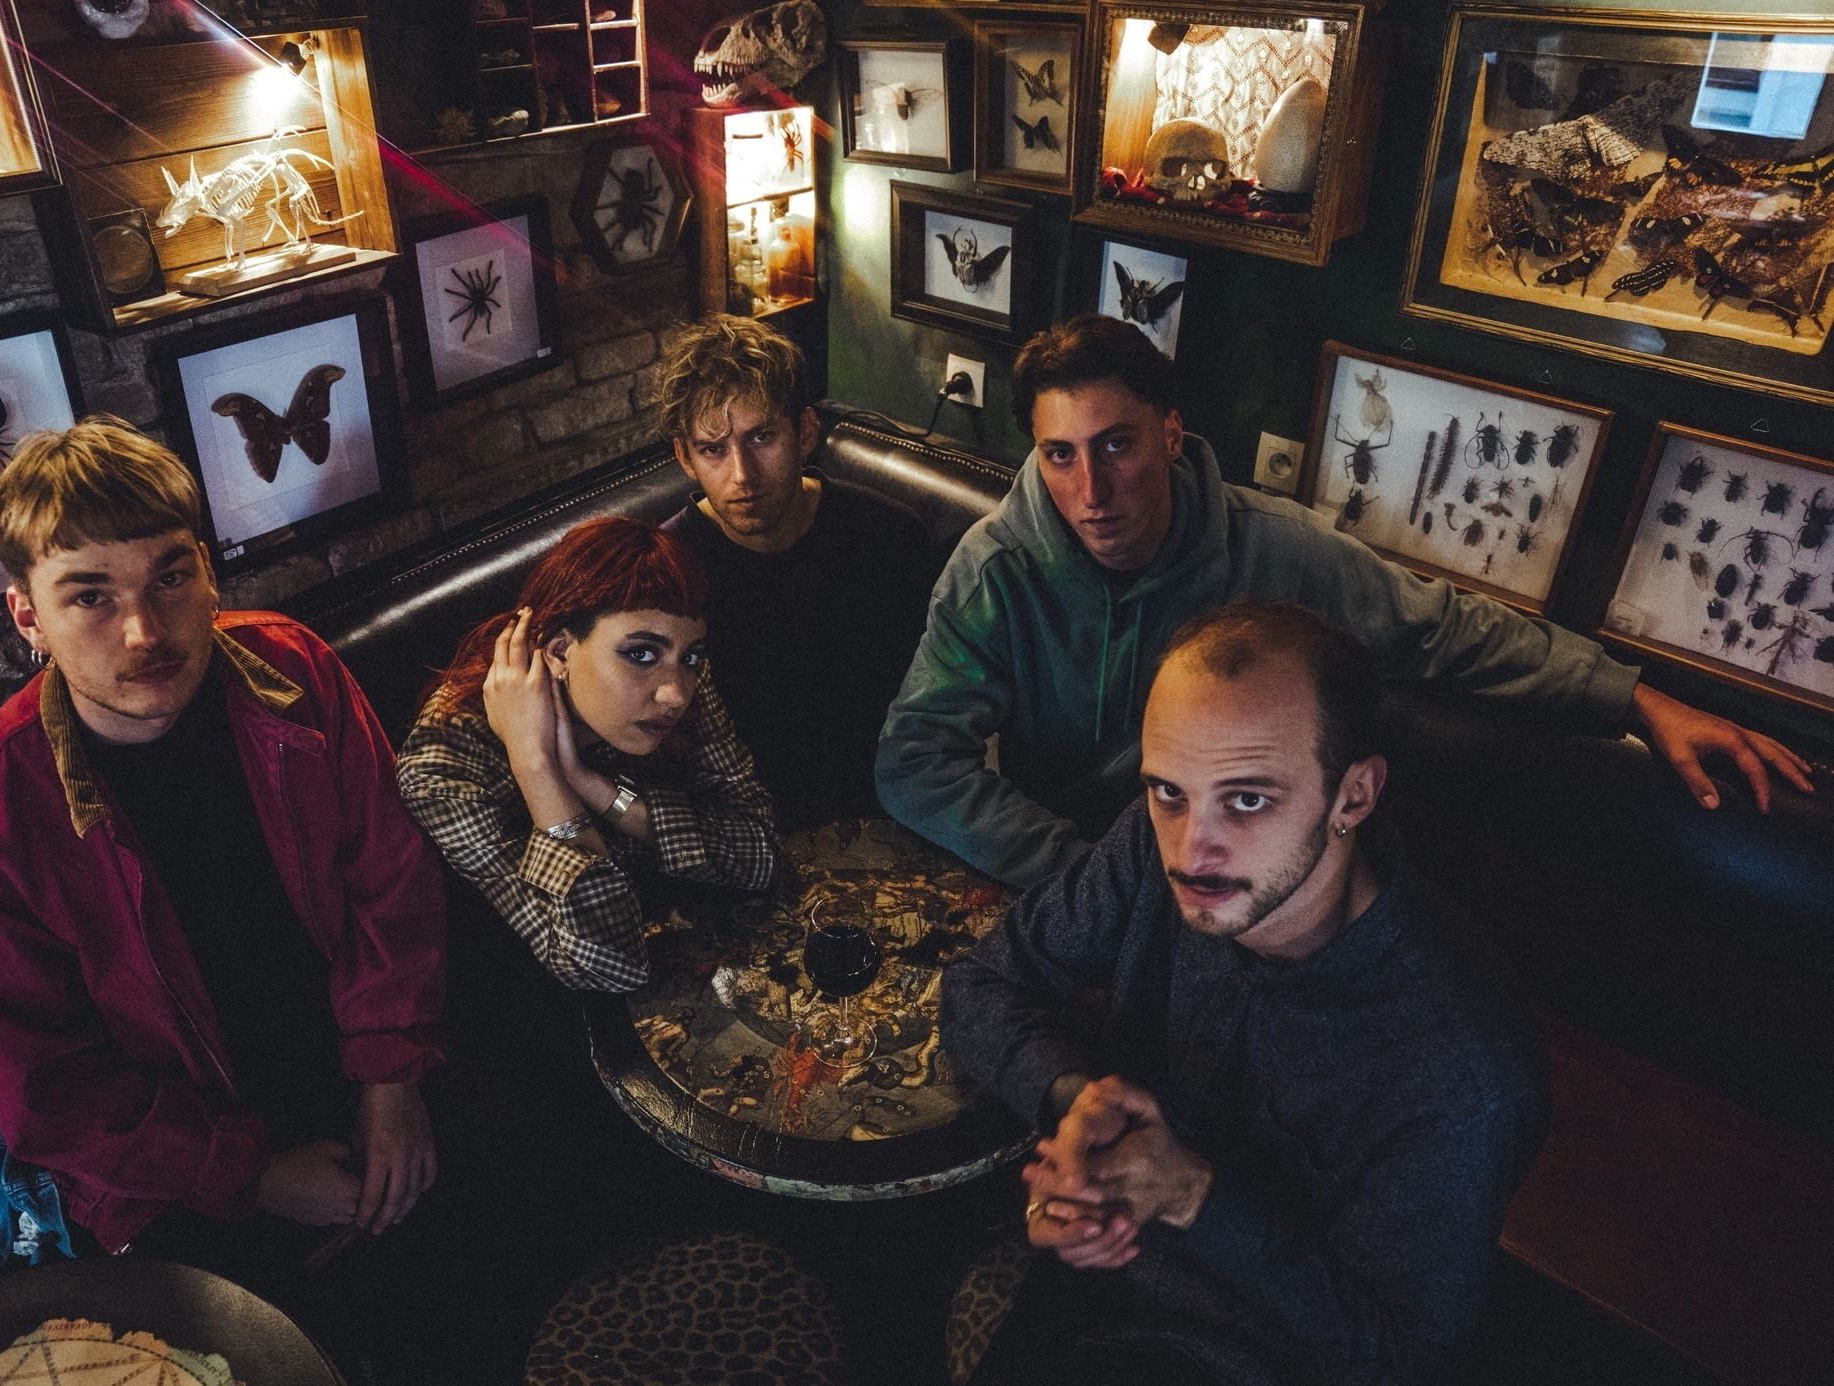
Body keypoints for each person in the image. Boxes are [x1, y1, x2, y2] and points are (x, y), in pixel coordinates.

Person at [877, 314, 1812, 888]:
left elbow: (1443, 629)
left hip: (1229, 877)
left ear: (1170, 433)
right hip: (1060, 873)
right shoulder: (996, 568)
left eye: (1116, 444)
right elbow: (917, 759)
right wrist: (1078, 876)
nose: (1091, 491)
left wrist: (1633, 696)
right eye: (1060, 456)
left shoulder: (1273, 550)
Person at [942, 602, 1548, 1385]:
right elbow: (982, 981)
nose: (1192, 848)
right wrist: (1075, 1106)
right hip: (1086, 1287)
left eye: (1249, 799)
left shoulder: (1460, 1071)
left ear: (1354, 796)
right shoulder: (1152, 844)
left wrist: (1194, 1197)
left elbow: (1398, 1356)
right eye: (1169, 791)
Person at [0, 417, 446, 1280]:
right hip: (174, 1172)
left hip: (373, 1066)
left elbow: (392, 883)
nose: (144, 633)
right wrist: (254, 1176)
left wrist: (393, 1081)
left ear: (208, 572)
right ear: (27, 616)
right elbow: (51, 1090)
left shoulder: (295, 672)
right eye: (90, 597)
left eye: (170, 577)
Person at [397, 515, 779, 992]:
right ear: (559, 652)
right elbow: (608, 967)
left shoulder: (681, 682)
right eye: (641, 654)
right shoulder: (446, 768)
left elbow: (762, 854)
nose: (676, 694)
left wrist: (591, 787)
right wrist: (536, 766)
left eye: (691, 656)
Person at [658, 314, 941, 829]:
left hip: (892, 808)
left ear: (806, 432)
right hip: (742, 828)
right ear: (685, 457)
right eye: (713, 450)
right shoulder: (666, 572)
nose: (742, 475)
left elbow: (936, 711)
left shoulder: (890, 535)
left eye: (762, 437)